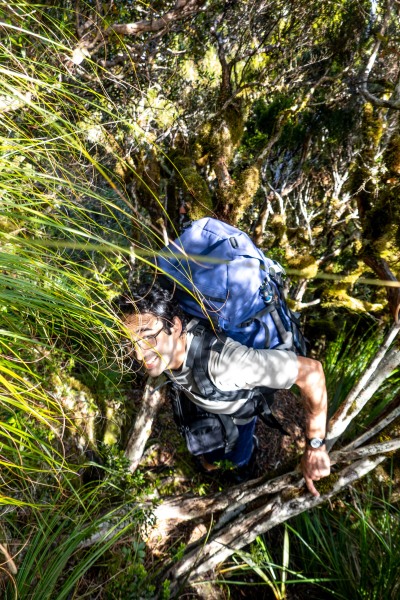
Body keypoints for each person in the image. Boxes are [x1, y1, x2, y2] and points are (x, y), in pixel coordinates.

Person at [118, 284, 331, 497]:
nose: (138, 354)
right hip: (206, 395)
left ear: (175, 326)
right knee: (210, 456)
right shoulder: (170, 346)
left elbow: (312, 373)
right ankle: (212, 463)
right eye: (130, 342)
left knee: (238, 455)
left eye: (147, 337)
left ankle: (242, 465)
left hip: (237, 412)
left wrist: (315, 446)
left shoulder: (227, 365)